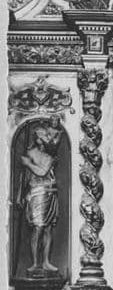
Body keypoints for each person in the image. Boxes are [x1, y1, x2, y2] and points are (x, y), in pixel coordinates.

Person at [18, 117, 62, 275]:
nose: (44, 141)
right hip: (37, 193)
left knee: (48, 228)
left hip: (50, 192)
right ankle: (35, 263)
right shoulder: (30, 153)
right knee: (38, 227)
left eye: (46, 138)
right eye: (42, 137)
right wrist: (20, 195)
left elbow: (42, 172)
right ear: (36, 139)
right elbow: (24, 177)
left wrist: (28, 164)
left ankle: (46, 262)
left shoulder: (50, 156)